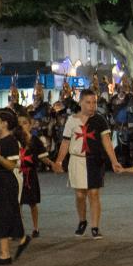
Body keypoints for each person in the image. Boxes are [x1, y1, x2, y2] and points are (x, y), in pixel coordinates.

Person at [53, 88, 124, 239]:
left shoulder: (100, 120)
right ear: (80, 103)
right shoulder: (71, 120)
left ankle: (95, 227)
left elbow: (107, 142)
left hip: (94, 160)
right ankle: (82, 221)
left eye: (94, 102)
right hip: (77, 161)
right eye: (88, 102)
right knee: (80, 195)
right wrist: (59, 161)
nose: (92, 106)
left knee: (94, 193)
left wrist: (114, 161)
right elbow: (65, 143)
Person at [0, 109, 30, 265]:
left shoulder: (10, 141)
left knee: (1, 215)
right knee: (5, 214)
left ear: (5, 124)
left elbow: (10, 165)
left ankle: (5, 254)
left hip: (6, 182)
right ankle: (20, 239)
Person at [16, 112, 57, 237]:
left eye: (25, 123)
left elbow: (42, 157)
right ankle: (19, 229)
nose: (22, 125)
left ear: (30, 125)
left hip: (30, 174)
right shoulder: (14, 140)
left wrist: (52, 164)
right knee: (17, 203)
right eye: (19, 123)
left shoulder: (35, 140)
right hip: (17, 174)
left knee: (32, 203)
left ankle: (35, 228)